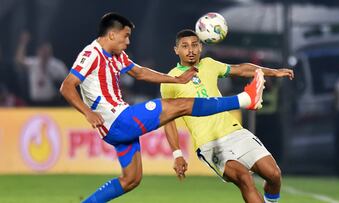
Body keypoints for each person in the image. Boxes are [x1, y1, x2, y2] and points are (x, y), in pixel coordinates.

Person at [60, 12, 266, 203]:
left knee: (131, 179)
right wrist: (88, 112)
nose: (128, 41)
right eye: (126, 36)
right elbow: (67, 86)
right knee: (182, 105)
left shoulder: (117, 55)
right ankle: (245, 99)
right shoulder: (91, 54)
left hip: (117, 127)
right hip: (118, 120)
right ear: (112, 35)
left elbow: (140, 73)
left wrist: (176, 80)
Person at [160, 29, 294, 203]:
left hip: (235, 132)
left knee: (274, 175)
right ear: (176, 50)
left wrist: (272, 72)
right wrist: (177, 154)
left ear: (201, 47)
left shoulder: (209, 64)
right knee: (244, 178)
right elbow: (167, 119)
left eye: (194, 45)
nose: (190, 50)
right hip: (209, 143)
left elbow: (241, 69)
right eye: (184, 46)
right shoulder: (170, 79)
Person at [15, 31, 68, 106]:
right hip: (35, 102)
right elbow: (19, 61)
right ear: (38, 51)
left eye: (46, 50)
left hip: (52, 102)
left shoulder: (57, 65)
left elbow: (68, 81)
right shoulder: (33, 63)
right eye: (42, 50)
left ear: (50, 51)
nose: (44, 52)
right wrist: (23, 43)